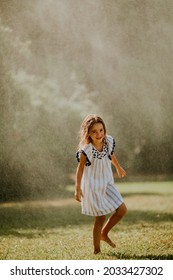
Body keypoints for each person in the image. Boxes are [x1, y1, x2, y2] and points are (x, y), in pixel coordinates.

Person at [75, 114, 127, 254]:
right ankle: (97, 250)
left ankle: (104, 233)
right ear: (88, 133)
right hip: (92, 186)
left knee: (122, 209)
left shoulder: (108, 141)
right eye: (94, 131)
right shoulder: (86, 150)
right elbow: (80, 170)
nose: (99, 134)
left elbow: (111, 155)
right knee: (101, 217)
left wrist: (118, 167)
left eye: (101, 130)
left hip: (107, 182)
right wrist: (77, 188)